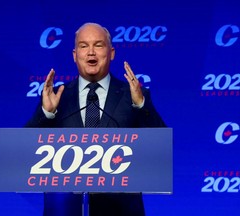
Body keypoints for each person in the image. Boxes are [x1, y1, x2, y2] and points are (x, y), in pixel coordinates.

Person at [26, 22, 166, 216]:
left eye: (98, 45)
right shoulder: (57, 97)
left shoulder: (134, 95)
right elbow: (24, 154)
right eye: (84, 46)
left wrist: (141, 105)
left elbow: (162, 147)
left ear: (112, 53)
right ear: (75, 55)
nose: (91, 52)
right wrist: (46, 113)